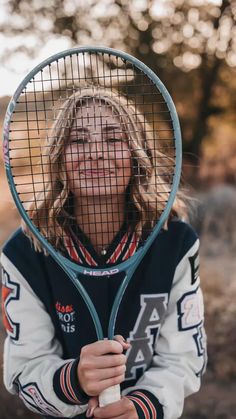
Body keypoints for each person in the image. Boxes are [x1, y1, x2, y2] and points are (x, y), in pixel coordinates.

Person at [1, 87, 207, 419]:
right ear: (59, 158)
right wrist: (75, 381)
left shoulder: (175, 243)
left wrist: (142, 407)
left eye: (113, 139)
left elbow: (182, 359)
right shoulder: (24, 253)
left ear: (137, 155)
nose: (96, 152)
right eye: (78, 140)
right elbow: (25, 370)